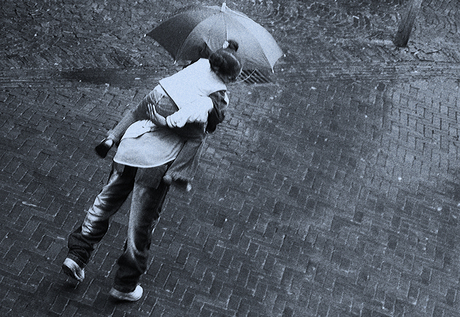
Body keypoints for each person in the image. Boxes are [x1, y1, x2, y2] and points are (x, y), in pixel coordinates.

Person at [62, 40, 242, 302]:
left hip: (129, 149)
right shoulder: (216, 94)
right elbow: (211, 124)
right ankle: (124, 285)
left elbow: (139, 109)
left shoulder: (190, 71)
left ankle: (77, 255)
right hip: (155, 165)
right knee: (140, 227)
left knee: (103, 204)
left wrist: (114, 137)